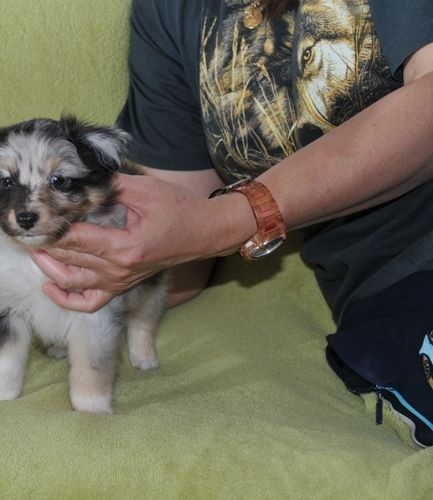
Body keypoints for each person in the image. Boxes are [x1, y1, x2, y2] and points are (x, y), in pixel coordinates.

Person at [30, 0, 433, 447]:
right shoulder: (169, 12)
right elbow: (178, 247)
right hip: (394, 299)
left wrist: (236, 215)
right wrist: (89, 259)